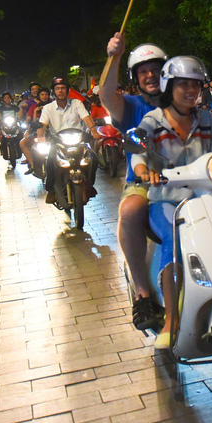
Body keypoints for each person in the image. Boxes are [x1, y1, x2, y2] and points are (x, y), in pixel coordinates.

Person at [130, 56, 212, 349]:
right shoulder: (153, 121)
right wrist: (144, 170)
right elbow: (137, 150)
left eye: (195, 85)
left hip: (206, 198)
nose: (190, 90)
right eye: (183, 84)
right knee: (175, 236)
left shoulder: (208, 119)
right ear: (168, 86)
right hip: (166, 201)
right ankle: (172, 318)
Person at [99, 34, 168, 331]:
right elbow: (105, 94)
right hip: (144, 181)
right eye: (143, 71)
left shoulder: (183, 99)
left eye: (156, 69)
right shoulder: (130, 107)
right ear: (135, 78)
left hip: (188, 179)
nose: (150, 75)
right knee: (130, 211)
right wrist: (113, 57)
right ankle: (142, 293)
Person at [37, 77, 101, 205]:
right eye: (57, 89)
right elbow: (42, 125)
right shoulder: (48, 108)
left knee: (93, 159)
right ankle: (51, 191)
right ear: (53, 91)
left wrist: (93, 130)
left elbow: (86, 117)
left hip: (78, 140)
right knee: (50, 162)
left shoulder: (77, 103)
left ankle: (89, 184)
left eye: (63, 88)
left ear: (67, 90)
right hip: (57, 142)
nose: (60, 91)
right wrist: (40, 137)